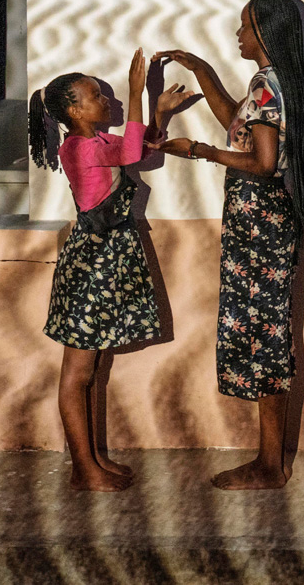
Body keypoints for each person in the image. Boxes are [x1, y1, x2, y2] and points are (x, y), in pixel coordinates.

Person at [152, 0, 304, 490]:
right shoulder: (269, 83)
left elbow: (262, 164)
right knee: (265, 334)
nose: (237, 35)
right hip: (259, 224)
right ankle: (270, 459)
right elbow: (239, 129)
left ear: (264, 31)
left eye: (244, 27)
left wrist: (199, 151)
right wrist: (201, 68)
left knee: (265, 338)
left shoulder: (269, 85)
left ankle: (269, 464)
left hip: (261, 223)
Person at [30, 49, 198, 491]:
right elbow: (129, 151)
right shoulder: (81, 147)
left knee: (92, 366)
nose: (108, 101)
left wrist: (156, 115)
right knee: (78, 373)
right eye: (96, 96)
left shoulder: (94, 144)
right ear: (73, 110)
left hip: (105, 260)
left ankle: (94, 459)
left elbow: (139, 151)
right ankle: (83, 469)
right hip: (91, 266)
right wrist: (138, 91)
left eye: (106, 94)